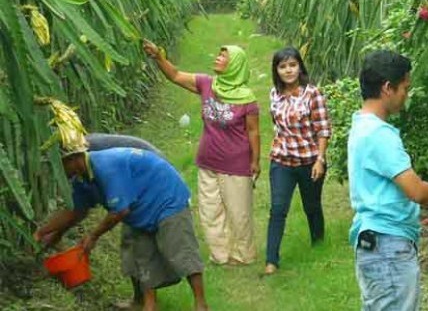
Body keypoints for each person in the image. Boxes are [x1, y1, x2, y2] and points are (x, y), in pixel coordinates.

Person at [349, 50, 428, 311]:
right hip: (387, 247)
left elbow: (395, 192)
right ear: (388, 88)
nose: (405, 96)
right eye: (405, 88)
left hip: (376, 242)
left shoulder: (361, 125)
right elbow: (416, 191)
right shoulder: (379, 135)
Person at [35, 145, 208, 311]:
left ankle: (201, 305)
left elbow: (119, 211)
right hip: (139, 206)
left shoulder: (106, 166)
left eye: (61, 165)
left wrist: (93, 236)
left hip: (166, 198)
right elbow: (75, 211)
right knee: (142, 257)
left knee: (181, 251)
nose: (59, 171)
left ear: (73, 159)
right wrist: (43, 232)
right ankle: (148, 306)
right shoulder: (81, 178)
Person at [142, 40, 260, 266]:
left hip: (236, 164)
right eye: (218, 53)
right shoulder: (207, 84)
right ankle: (220, 255)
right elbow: (175, 75)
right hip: (207, 161)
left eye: (224, 56)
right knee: (210, 211)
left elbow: (254, 132)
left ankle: (243, 255)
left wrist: (255, 161)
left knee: (239, 213)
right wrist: (158, 56)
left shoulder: (247, 99)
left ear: (236, 64)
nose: (218, 58)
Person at [264, 47, 332, 275]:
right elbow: (277, 125)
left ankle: (319, 245)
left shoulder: (313, 94)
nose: (288, 70)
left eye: (292, 65)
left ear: (300, 67)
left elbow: (323, 130)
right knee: (278, 208)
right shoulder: (274, 94)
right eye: (283, 66)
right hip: (282, 161)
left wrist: (320, 159)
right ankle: (271, 261)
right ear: (277, 70)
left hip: (309, 160)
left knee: (311, 207)